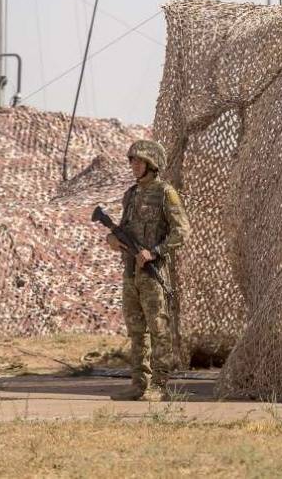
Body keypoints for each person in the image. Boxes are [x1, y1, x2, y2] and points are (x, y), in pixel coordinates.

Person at [107, 139, 190, 402]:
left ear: (152, 165)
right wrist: (114, 240)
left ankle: (160, 385)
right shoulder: (130, 195)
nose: (134, 165)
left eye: (139, 161)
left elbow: (182, 232)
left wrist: (154, 252)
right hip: (131, 272)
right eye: (132, 161)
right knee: (136, 330)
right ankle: (138, 383)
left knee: (158, 328)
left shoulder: (165, 192)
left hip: (153, 273)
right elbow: (125, 228)